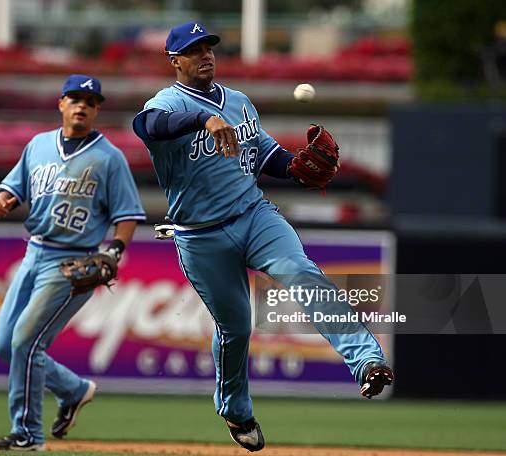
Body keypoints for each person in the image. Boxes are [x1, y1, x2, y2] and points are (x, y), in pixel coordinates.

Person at [133, 22, 393, 452]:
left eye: (209, 48)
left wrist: (294, 166)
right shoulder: (167, 102)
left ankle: (367, 361)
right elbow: (148, 126)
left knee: (301, 272)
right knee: (235, 328)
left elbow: (265, 154)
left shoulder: (238, 101)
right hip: (201, 236)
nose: (206, 55)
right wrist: (203, 118)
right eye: (194, 50)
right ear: (174, 60)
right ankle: (235, 410)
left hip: (254, 216)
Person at [0, 74, 146, 451]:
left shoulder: (109, 157)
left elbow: (127, 214)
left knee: (26, 341)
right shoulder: (38, 145)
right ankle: (73, 390)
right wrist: (5, 199)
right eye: (75, 98)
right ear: (61, 103)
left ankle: (27, 433)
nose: (81, 105)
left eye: (90, 102)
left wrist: (116, 251)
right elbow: (15, 187)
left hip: (72, 261)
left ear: (96, 110)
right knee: (5, 346)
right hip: (34, 253)